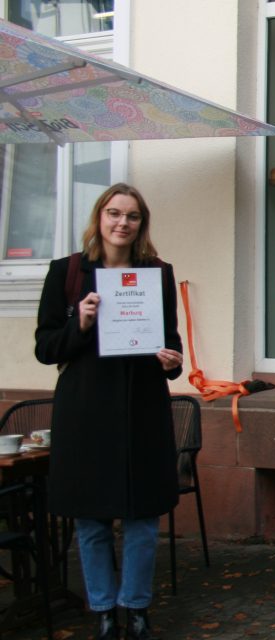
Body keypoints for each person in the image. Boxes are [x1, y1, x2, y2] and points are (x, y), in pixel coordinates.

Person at [35, 183, 184, 640]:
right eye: (114, 214)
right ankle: (102, 609)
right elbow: (45, 348)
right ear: (99, 218)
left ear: (142, 223)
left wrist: (172, 361)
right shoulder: (68, 272)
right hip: (86, 410)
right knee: (91, 516)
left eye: (133, 216)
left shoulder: (157, 274)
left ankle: (135, 607)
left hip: (141, 407)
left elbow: (171, 344)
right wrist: (79, 323)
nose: (123, 223)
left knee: (143, 516)